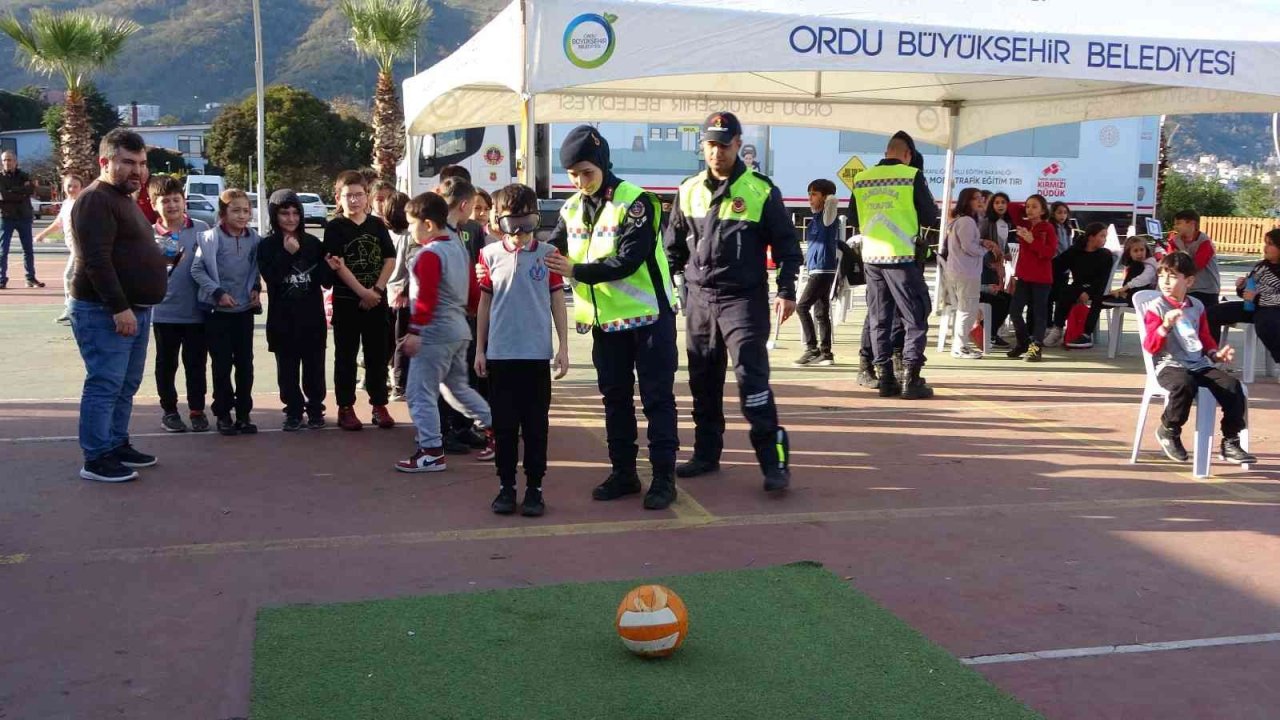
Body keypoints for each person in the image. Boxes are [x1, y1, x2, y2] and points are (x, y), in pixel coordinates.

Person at [542, 125, 680, 510]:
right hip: (606, 326)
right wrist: (517, 247)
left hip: (650, 320)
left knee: (657, 400)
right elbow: (553, 248)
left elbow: (628, 260)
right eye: (572, 174)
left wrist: (575, 271)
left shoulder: (638, 202)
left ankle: (663, 479)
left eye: (587, 172)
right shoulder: (570, 209)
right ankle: (624, 473)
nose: (580, 181)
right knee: (614, 400)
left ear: (602, 164)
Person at [664, 111, 801, 492]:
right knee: (702, 382)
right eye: (710, 145)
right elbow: (671, 249)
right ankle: (706, 454)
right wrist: (675, 290)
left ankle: (774, 463)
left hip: (743, 300)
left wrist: (787, 290)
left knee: (751, 380)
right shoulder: (688, 189)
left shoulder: (760, 189)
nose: (716, 152)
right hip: (699, 301)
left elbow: (789, 248)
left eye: (724, 145)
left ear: (738, 144)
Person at [68, 129, 167, 482]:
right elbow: (96, 260)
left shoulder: (123, 198)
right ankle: (96, 458)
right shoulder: (96, 199)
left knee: (126, 384)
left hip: (135, 308)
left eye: (141, 164)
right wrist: (119, 308)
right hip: (105, 311)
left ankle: (115, 443)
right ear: (104, 162)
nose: (137, 171)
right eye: (127, 163)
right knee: (105, 383)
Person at [474, 184, 569, 516]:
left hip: (535, 355)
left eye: (528, 223)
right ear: (499, 222)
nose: (521, 233)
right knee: (504, 426)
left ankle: (534, 488)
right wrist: (480, 350)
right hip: (501, 355)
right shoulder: (488, 255)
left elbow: (558, 301)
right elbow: (485, 303)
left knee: (535, 426)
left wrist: (563, 347)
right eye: (513, 225)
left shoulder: (548, 254)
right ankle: (506, 487)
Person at [396, 192, 495, 474]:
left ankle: (430, 452)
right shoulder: (456, 247)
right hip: (458, 328)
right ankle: (497, 427)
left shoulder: (429, 254)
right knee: (455, 388)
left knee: (419, 393)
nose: (409, 229)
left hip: (435, 331)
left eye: (412, 223)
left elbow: (426, 297)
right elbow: (473, 289)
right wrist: (473, 310)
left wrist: (415, 330)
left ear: (428, 224)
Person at [849, 130, 940, 399]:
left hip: (872, 258)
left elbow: (853, 216)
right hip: (902, 257)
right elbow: (929, 215)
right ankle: (911, 378)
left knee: (879, 319)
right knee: (915, 316)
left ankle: (885, 378)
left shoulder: (862, 178)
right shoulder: (912, 176)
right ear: (907, 155)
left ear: (886, 152)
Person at [1144, 251, 1255, 466]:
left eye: (1173, 276)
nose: (1166, 281)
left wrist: (1216, 353)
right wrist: (1165, 326)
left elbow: (1203, 338)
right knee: (1185, 384)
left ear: (1189, 280)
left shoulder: (1197, 306)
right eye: (1162, 275)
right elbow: (1150, 346)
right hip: (1169, 364)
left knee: (1233, 386)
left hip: (1198, 363)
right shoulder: (1156, 307)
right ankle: (1169, 429)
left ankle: (1230, 441)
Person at [323, 170, 397, 431]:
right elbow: (337, 265)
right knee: (346, 356)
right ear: (338, 198)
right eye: (348, 196)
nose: (354, 200)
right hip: (347, 302)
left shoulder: (377, 225)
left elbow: (390, 258)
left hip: (377, 302)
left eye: (359, 195)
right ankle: (345, 407)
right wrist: (361, 292)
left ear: (367, 197)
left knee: (377, 355)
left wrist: (376, 290)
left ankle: (379, 404)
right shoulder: (334, 227)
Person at [258, 189, 332, 431]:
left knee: (314, 368)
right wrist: (287, 254)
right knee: (287, 370)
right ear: (274, 215)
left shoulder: (312, 243)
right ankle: (292, 410)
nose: (290, 219)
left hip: (311, 318)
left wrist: (330, 267)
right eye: (284, 213)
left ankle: (315, 409)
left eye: (294, 213)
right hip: (283, 319)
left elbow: (324, 281)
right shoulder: (267, 245)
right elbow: (271, 278)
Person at [192, 189, 262, 436]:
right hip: (218, 313)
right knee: (221, 364)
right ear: (223, 213)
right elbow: (197, 270)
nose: (242, 215)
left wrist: (255, 287)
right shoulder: (211, 239)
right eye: (236, 210)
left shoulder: (255, 239)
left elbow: (256, 269)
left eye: (246, 210)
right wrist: (218, 292)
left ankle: (243, 414)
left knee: (245, 364)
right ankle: (223, 414)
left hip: (243, 312)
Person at [148, 175, 211, 433]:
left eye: (176, 199)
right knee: (166, 364)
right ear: (153, 204)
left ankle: (197, 410)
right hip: (163, 313)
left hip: (197, 311)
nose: (172, 205)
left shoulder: (201, 229)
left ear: (184, 201)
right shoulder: (147, 235)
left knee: (196, 364)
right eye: (165, 201)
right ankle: (170, 411)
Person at [1209, 228, 1280, 370]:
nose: (1265, 247)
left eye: (1270, 244)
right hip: (1252, 306)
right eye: (1265, 243)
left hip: (1273, 309)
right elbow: (1249, 289)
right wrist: (1242, 287)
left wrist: (1258, 297)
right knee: (1211, 312)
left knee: (1266, 324)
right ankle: (1208, 355)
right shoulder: (1262, 266)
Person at [940, 187, 997, 359]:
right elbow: (968, 247)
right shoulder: (967, 221)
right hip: (966, 272)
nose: (981, 201)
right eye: (976, 198)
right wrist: (984, 249)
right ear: (967, 201)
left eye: (981, 198)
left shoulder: (962, 221)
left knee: (966, 309)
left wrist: (981, 241)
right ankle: (960, 347)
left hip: (961, 271)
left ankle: (960, 345)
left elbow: (967, 241)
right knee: (968, 310)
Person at [793, 179, 841, 367]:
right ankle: (826, 353)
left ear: (825, 197)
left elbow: (833, 201)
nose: (810, 198)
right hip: (816, 268)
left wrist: (829, 195)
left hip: (823, 270)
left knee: (801, 307)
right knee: (821, 312)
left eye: (814, 194)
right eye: (809, 194)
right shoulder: (815, 218)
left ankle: (812, 349)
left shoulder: (827, 216)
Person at [1006, 194, 1056, 362]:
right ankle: (1023, 342)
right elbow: (1012, 207)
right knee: (1014, 310)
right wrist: (1026, 210)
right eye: (1028, 206)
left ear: (1043, 210)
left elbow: (1049, 253)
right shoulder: (1025, 224)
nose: (1029, 209)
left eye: (1035, 206)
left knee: (1038, 315)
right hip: (1024, 276)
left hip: (1041, 279)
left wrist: (1032, 240)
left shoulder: (1047, 228)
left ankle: (1036, 348)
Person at [1053, 222, 1114, 350]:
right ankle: (1057, 328)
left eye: (1105, 236)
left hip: (1095, 288)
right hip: (1077, 287)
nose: (1105, 240)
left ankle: (1086, 334)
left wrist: (1088, 292)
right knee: (1063, 290)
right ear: (1091, 237)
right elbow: (1057, 266)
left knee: (1097, 299)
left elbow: (1102, 280)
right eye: (1102, 236)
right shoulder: (1075, 251)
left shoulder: (1105, 255)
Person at [34, 173, 84, 323]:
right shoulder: (66, 203)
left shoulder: (83, 203)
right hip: (73, 247)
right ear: (64, 187)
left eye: (75, 186)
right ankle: (78, 308)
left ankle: (71, 308)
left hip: (81, 248)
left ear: (81, 188)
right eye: (69, 186)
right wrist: (42, 234)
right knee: (84, 279)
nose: (72, 189)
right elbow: (58, 223)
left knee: (68, 276)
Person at [380, 191, 415, 402]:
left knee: (390, 342)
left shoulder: (385, 234)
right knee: (402, 341)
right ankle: (400, 385)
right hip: (403, 294)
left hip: (386, 292)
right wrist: (405, 290)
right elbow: (412, 267)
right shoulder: (410, 237)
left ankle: (391, 380)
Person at [1170, 209, 1223, 342]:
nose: (1175, 227)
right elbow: (1170, 263)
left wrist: (1178, 259)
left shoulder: (1205, 242)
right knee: (1182, 320)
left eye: (1179, 223)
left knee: (1209, 320)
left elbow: (1196, 265)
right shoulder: (1175, 240)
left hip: (1207, 289)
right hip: (1186, 288)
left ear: (1192, 223)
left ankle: (1212, 353)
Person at [0, 149, 43, 289]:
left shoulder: (24, 176)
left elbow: (30, 190)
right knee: (3, 250)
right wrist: (19, 193)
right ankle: (2, 279)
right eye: (5, 160)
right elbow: (4, 195)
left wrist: (12, 192)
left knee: (28, 249)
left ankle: (30, 278)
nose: (7, 162)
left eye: (10, 159)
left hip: (24, 216)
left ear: (16, 161)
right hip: (6, 217)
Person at [1043, 201, 1074, 347]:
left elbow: (1068, 245)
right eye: (1059, 212)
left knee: (1060, 296)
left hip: (1065, 266)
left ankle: (1057, 325)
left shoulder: (1068, 228)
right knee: (1049, 296)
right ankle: (1048, 325)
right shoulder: (1051, 227)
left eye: (1065, 212)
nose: (1062, 215)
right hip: (1054, 264)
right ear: (1053, 213)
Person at [1103, 235, 1157, 308]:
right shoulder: (1132, 264)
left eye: (1142, 250)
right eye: (1135, 251)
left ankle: (1125, 296)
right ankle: (1122, 295)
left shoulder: (1150, 262)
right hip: (1135, 292)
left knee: (1137, 265)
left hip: (1148, 295)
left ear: (1146, 250)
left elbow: (1145, 278)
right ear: (1129, 253)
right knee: (1135, 265)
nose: (1139, 253)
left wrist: (1124, 288)